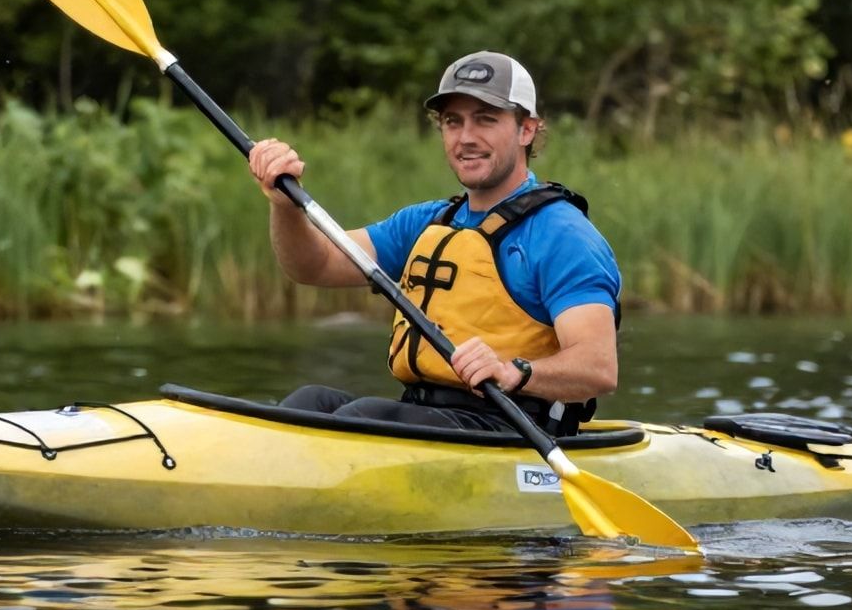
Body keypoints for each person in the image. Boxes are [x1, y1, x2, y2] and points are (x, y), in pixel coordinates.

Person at [246, 51, 622, 436]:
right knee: (311, 403)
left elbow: (598, 366)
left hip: (513, 428)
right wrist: (286, 206)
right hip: (422, 417)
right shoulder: (427, 222)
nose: (466, 138)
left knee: (360, 417)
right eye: (452, 122)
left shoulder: (561, 234)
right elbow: (315, 265)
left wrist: (514, 371)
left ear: (527, 130)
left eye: (486, 120)